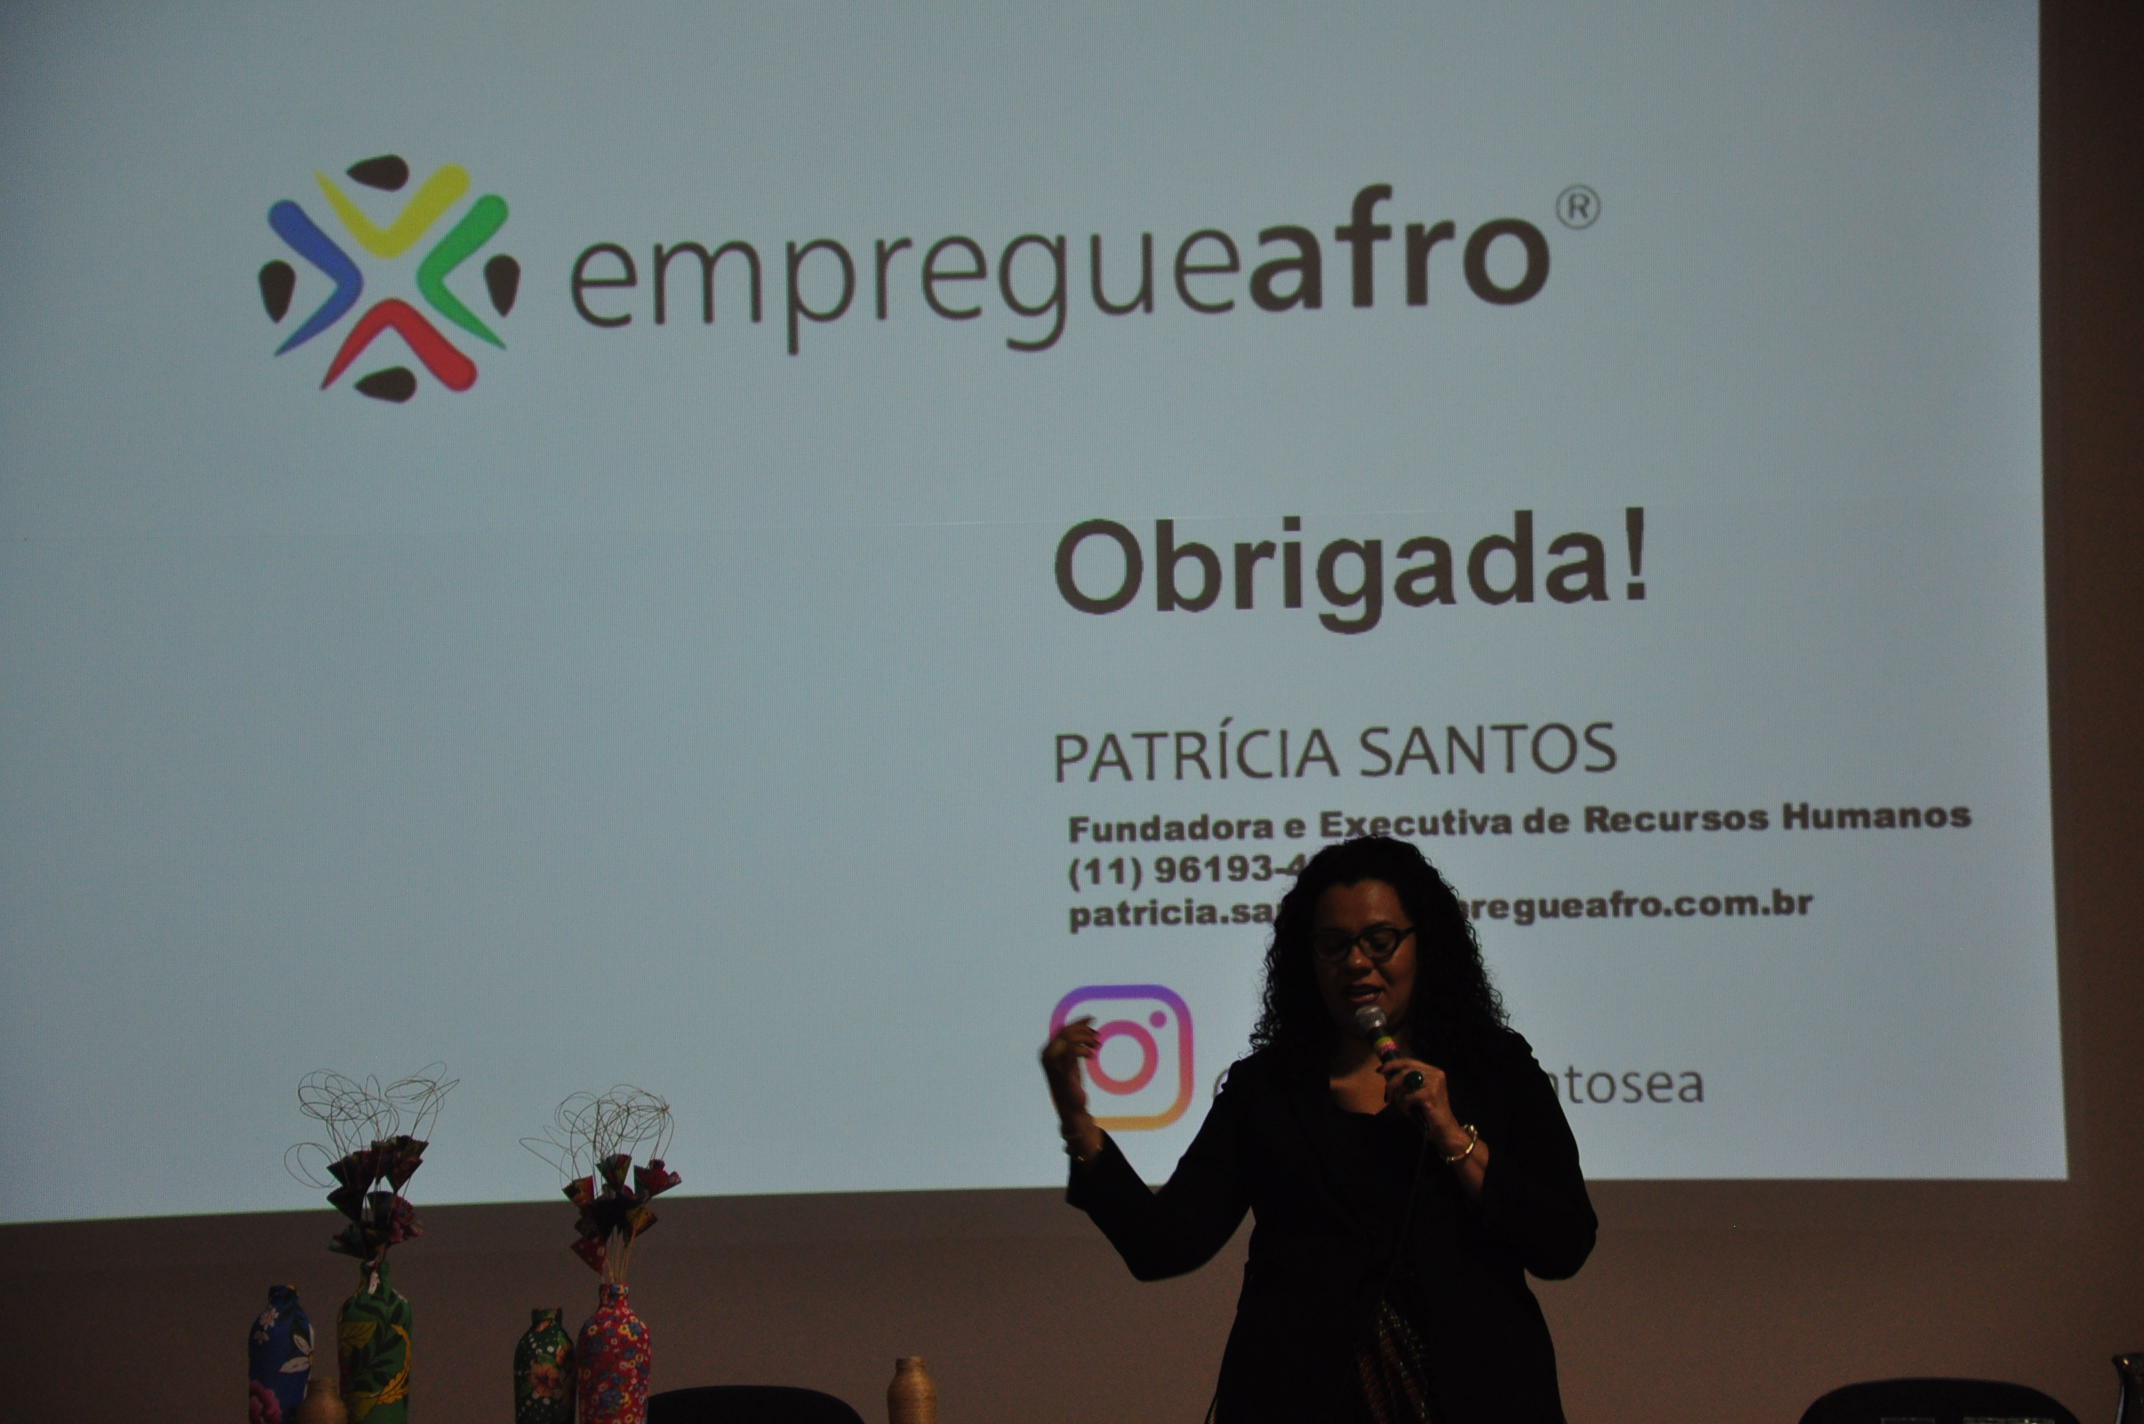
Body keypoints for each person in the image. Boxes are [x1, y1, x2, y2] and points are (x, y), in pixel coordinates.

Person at [1041, 835, 1595, 1423]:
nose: (1356, 963)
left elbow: (1563, 1245)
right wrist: (1078, 1122)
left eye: (1380, 941)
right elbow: (1164, 1246)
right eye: (1334, 945)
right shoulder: (1267, 1089)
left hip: (1477, 1396)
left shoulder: (1495, 1069)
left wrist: (1454, 1136)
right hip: (1298, 1399)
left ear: (1425, 943)